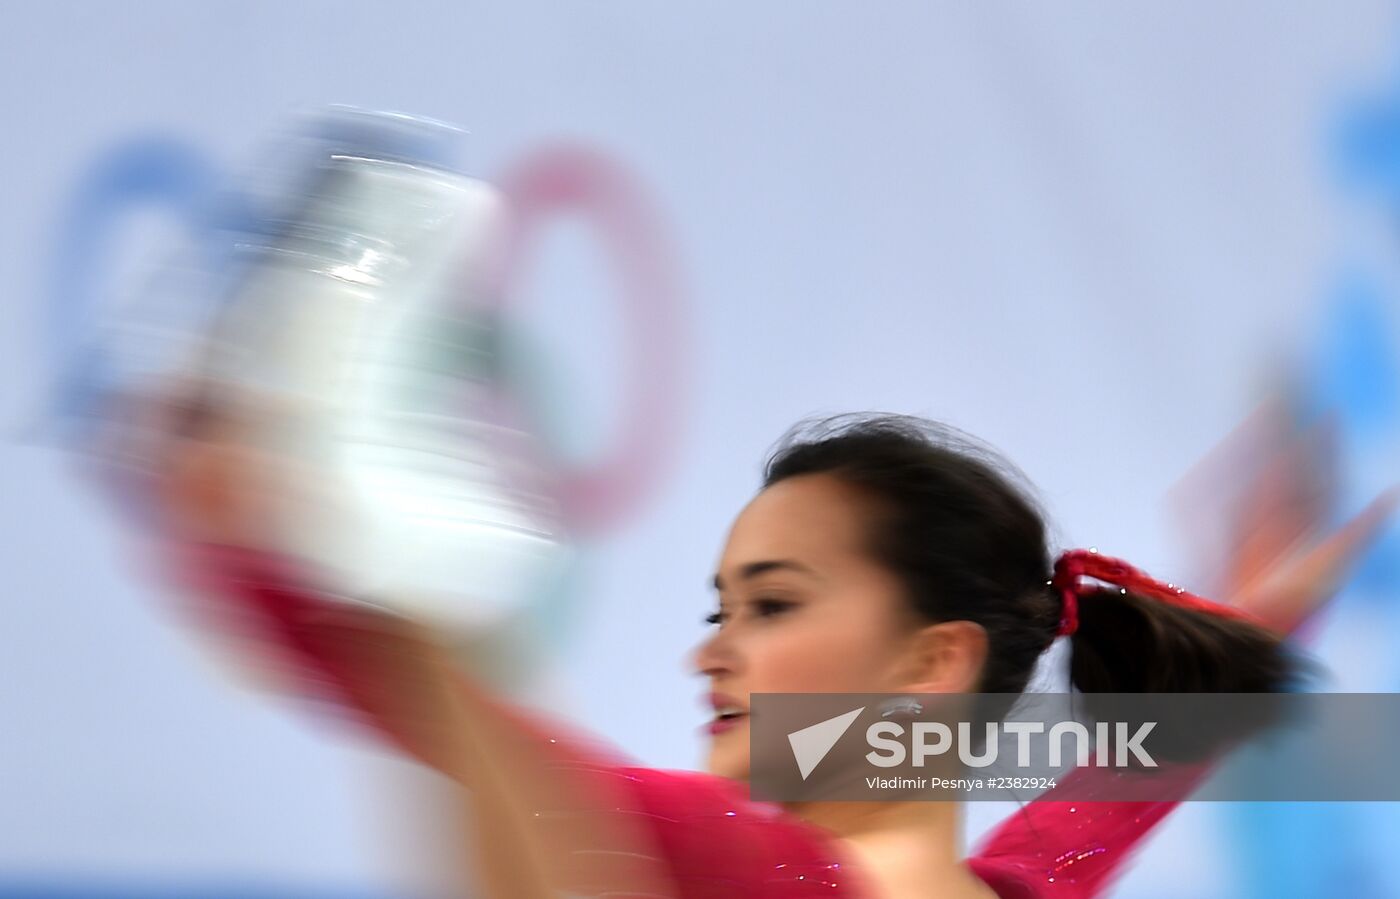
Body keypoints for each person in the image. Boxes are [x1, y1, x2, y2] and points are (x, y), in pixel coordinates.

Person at [151, 409, 1396, 898]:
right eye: (719, 610)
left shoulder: (756, 860)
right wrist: (1248, 624)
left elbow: (456, 717)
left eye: (772, 606)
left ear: (932, 662)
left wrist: (249, 554)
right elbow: (1134, 768)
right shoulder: (1028, 879)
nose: (710, 656)